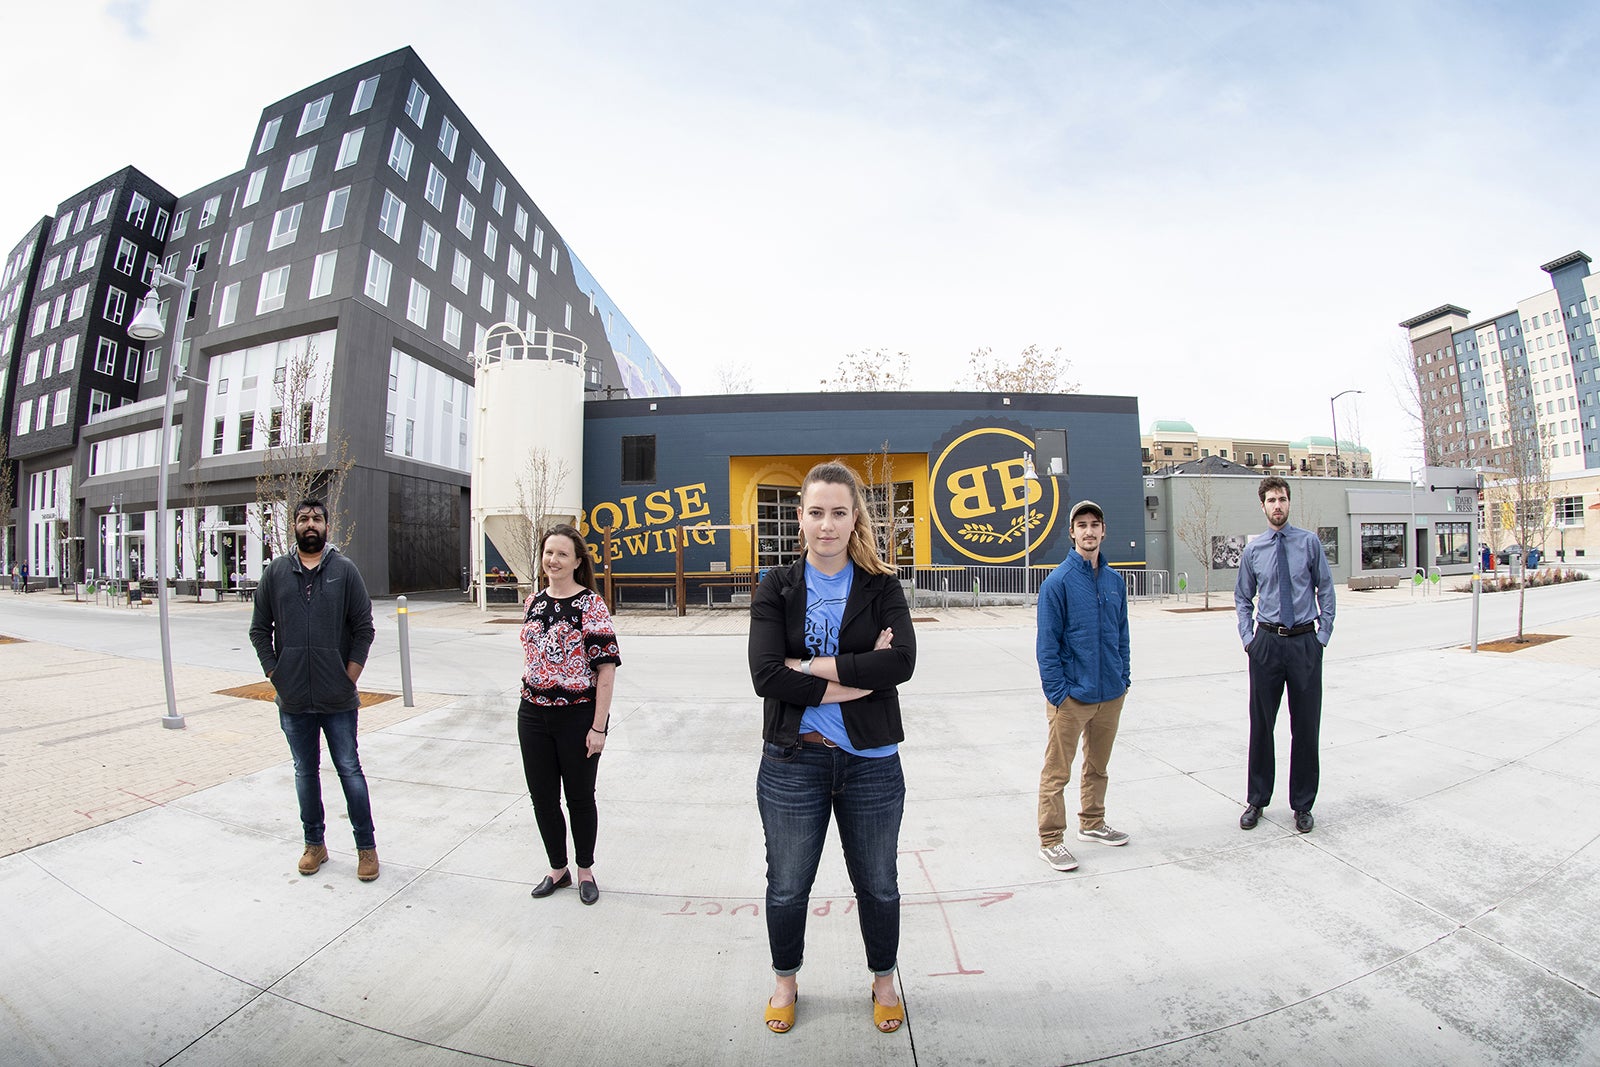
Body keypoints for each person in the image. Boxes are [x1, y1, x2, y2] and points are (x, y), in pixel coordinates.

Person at [748, 461, 917, 1036]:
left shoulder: (883, 586)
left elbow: (902, 662)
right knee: (789, 884)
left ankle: (884, 980)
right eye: (816, 512)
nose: (827, 525)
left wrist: (810, 667)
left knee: (878, 883)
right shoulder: (776, 586)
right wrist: (859, 677)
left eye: (839, 513)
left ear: (854, 518)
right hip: (796, 760)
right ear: (800, 518)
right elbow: (766, 676)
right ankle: (785, 982)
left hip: (871, 765)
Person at [248, 499, 379, 880]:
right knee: (305, 772)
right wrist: (276, 673)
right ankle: (314, 844)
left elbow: (364, 628)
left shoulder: (345, 570)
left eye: (317, 519)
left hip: (338, 699)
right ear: (294, 525)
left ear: (326, 525)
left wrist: (348, 675)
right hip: (292, 700)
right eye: (303, 518)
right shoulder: (276, 573)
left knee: (350, 771)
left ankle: (366, 849)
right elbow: (259, 630)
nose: (310, 524)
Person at [518, 524, 620, 907]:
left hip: (577, 717)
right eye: (548, 552)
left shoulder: (590, 605)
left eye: (562, 553)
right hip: (532, 715)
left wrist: (599, 727)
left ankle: (585, 870)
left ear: (577, 561)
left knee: (579, 798)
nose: (553, 560)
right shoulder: (532, 602)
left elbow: (606, 670)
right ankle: (557, 869)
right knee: (542, 798)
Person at [1035, 500, 1132, 873]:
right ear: (1072, 533)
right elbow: (1047, 646)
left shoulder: (1114, 581)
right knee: (1057, 772)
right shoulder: (1057, 582)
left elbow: (1121, 633)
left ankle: (1092, 822)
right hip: (1072, 697)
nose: (1089, 531)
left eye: (1095, 524)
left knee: (1098, 766)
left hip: (1110, 693)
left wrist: (1123, 677)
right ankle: (1051, 840)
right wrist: (1059, 694)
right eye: (1082, 525)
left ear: (1103, 531)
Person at [1234, 477, 1335, 834]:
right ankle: (1257, 799)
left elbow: (1326, 590)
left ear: (1289, 503)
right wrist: (1249, 639)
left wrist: (1322, 636)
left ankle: (1303, 805)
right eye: (1271, 500)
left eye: (1282, 499)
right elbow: (1243, 598)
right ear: (1262, 507)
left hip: (1305, 643)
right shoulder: (1254, 551)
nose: (1277, 505)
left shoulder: (1309, 544)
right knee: (1262, 726)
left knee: (1305, 727)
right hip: (1266, 645)